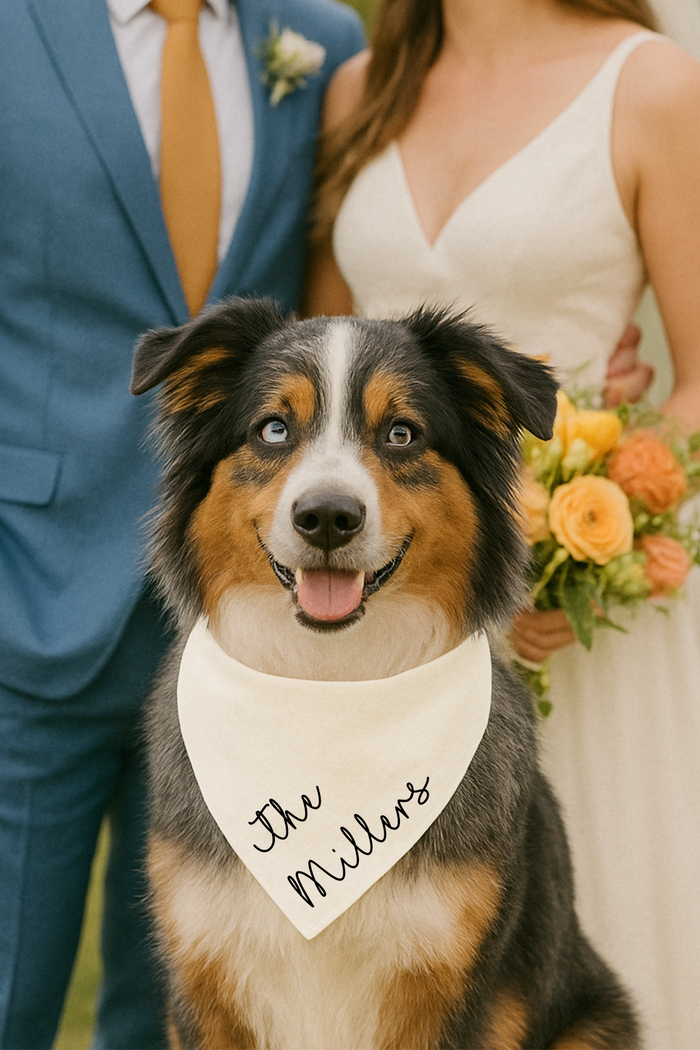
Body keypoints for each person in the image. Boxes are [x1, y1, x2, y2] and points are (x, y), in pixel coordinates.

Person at [304, 1, 700, 1047]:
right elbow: (318, 358)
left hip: (575, 629)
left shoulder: (651, 85)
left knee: (586, 945)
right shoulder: (359, 90)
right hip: (387, 619)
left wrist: (571, 552)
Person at [0, 2, 364, 1048]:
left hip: (251, 624)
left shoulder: (323, 42)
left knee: (188, 1014)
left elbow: (357, 280)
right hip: (27, 589)